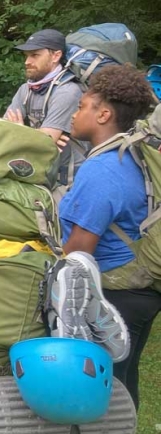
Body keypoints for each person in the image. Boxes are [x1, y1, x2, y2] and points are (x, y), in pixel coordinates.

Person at [59, 65, 159, 410]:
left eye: (82, 106)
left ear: (103, 114)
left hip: (113, 294)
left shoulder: (102, 170)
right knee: (123, 381)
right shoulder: (133, 154)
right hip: (140, 290)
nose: (74, 113)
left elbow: (78, 254)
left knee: (101, 391)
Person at [4, 29, 83, 144]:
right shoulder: (26, 89)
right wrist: (37, 135)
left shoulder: (67, 91)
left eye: (34, 55)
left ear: (56, 56)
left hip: (70, 162)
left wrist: (20, 131)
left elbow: (44, 143)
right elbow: (2, 129)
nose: (27, 62)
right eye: (26, 56)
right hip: (41, 159)